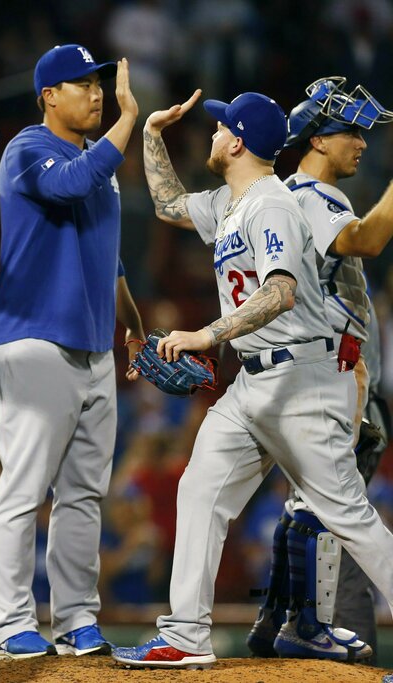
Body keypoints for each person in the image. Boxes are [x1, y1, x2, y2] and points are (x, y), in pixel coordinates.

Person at [112, 89, 393, 669]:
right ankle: (186, 634)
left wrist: (205, 335)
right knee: (200, 489)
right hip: (255, 384)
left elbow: (281, 291)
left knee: (351, 519)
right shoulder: (231, 202)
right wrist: (149, 135)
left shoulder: (272, 206)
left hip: (305, 380)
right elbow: (167, 204)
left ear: (236, 140)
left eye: (219, 127)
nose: (211, 134)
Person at [0, 44, 144, 660]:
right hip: (32, 344)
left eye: (100, 84)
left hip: (94, 349)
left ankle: (77, 619)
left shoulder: (90, 160)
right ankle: (11, 625)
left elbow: (110, 258)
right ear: (48, 95)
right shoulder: (28, 150)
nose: (97, 93)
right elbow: (74, 187)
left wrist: (131, 324)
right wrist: (129, 121)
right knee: (23, 491)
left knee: (83, 494)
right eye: (81, 84)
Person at [245, 77, 393, 662]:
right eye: (350, 131)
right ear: (317, 138)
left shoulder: (291, 196)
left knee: (309, 508)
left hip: (323, 379)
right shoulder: (310, 194)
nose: (362, 142)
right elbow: (366, 240)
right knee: (344, 529)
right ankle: (339, 660)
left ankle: (273, 624)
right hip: (335, 380)